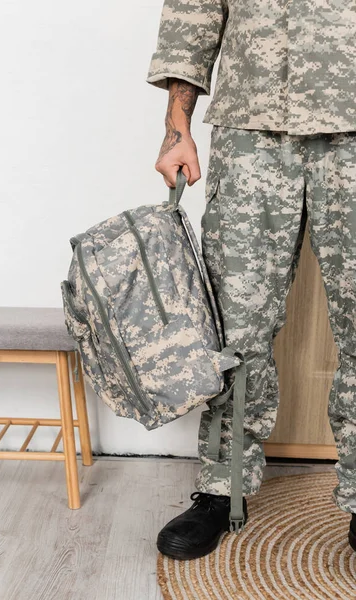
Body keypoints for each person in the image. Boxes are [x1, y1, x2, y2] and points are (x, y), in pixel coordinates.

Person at [146, 0, 356, 560]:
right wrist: (176, 129)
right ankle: (221, 488)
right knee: (235, 331)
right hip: (250, 128)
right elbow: (194, 13)